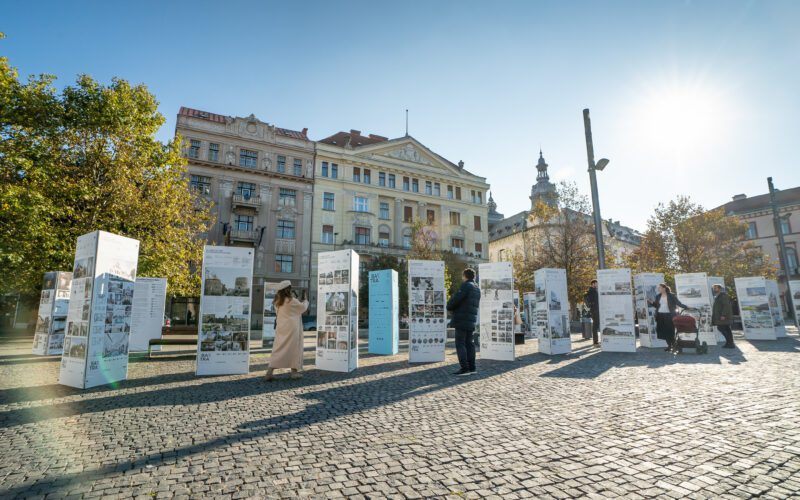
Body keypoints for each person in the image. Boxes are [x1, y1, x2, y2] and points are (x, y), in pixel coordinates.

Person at [265, 281, 308, 381]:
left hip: (281, 327)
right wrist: (305, 299)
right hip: (292, 328)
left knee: (278, 348)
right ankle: (294, 372)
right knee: (294, 348)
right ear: (288, 289)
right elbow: (303, 308)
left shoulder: (277, 301)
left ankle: (269, 372)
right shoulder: (291, 300)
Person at [446, 268, 480, 376]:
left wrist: (449, 306)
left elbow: (456, 299)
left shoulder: (466, 286)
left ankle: (464, 368)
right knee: (470, 344)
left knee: (460, 344)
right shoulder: (477, 288)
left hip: (462, 319)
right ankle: (472, 368)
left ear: (465, 276)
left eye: (462, 276)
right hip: (471, 320)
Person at [648, 283, 688, 352]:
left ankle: (674, 345)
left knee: (670, 331)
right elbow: (657, 306)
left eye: (659, 288)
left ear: (664, 288)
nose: (658, 289)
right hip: (660, 316)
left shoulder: (671, 295)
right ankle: (669, 346)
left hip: (670, 315)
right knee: (664, 332)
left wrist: (686, 307)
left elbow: (678, 303)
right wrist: (651, 302)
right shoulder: (658, 296)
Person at [711, 284, 735, 348]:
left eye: (715, 288)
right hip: (721, 316)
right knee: (727, 329)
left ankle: (730, 343)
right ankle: (729, 343)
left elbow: (726, 306)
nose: (714, 289)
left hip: (723, 316)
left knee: (721, 328)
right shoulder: (718, 296)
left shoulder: (723, 296)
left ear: (719, 289)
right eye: (713, 288)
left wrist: (723, 315)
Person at [584, 280, 600, 346]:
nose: (597, 284)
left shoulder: (595, 290)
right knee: (595, 325)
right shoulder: (591, 291)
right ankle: (595, 342)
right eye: (596, 283)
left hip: (596, 309)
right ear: (592, 284)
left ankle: (595, 341)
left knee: (596, 325)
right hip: (594, 310)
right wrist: (592, 305)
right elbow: (587, 298)